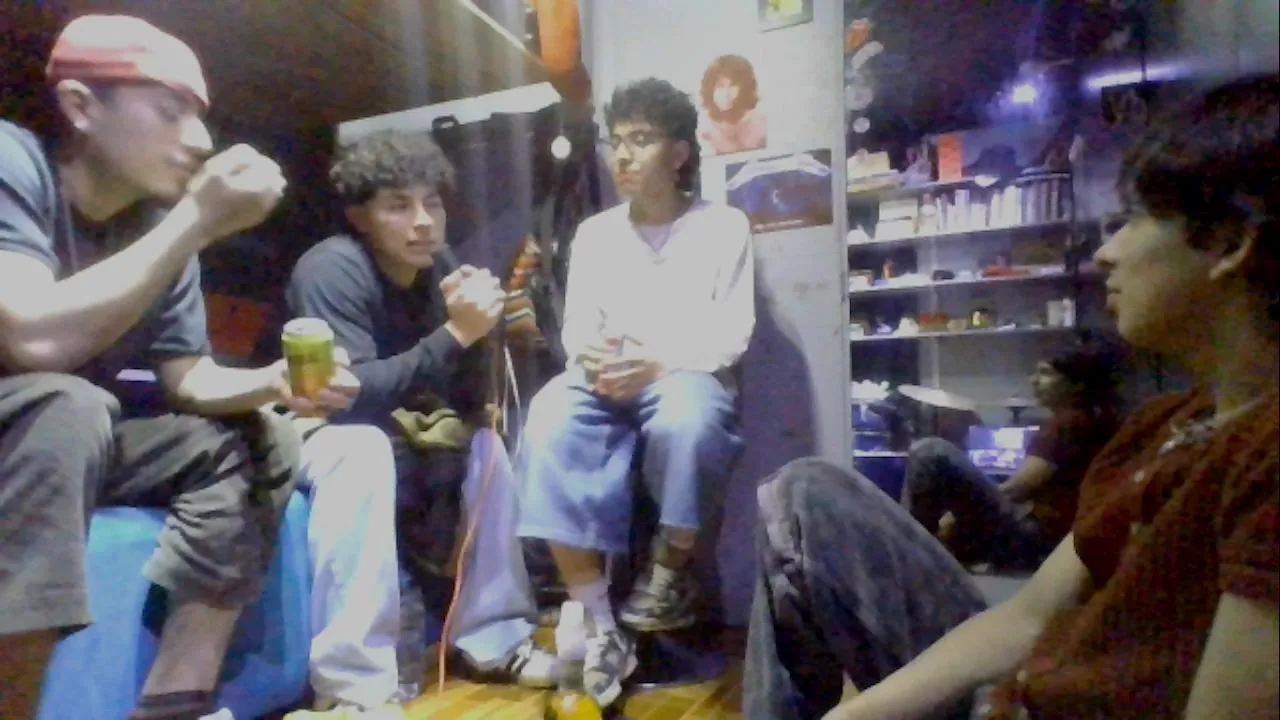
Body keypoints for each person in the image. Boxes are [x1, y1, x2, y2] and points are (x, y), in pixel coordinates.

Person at [744, 74, 1279, 720]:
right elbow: (1028, 618)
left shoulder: (1265, 455)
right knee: (805, 493)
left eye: (1136, 218)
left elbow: (1021, 493)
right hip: (1027, 677)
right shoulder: (1165, 424)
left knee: (925, 457)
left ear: (1228, 243)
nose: (1106, 253)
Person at [0, 15, 354, 720]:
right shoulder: (14, 162)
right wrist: (194, 221)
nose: (199, 140)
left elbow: (188, 379)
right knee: (69, 404)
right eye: (170, 112)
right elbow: (29, 340)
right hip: (35, 423)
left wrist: (273, 385)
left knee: (262, 438)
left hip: (71, 436)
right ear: (80, 106)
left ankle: (176, 699)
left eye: (199, 115)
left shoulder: (157, 226)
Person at [280, 129, 558, 698]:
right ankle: (355, 687)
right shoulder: (332, 268)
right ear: (360, 216)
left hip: (399, 427)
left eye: (432, 203)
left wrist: (480, 334)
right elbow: (351, 395)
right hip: (308, 425)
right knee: (364, 448)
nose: (423, 222)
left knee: (485, 447)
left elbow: (463, 392)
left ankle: (496, 639)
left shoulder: (439, 266)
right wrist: (456, 333)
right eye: (399, 206)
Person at [517, 77, 755, 707]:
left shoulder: (724, 226)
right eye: (615, 141)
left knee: (687, 419)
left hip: (683, 373)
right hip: (608, 377)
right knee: (546, 418)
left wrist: (661, 363)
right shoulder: (596, 234)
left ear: (678, 153)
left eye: (640, 140)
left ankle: (668, 572)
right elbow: (577, 331)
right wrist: (592, 358)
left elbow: (732, 335)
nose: (621, 156)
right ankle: (599, 622)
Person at [905, 345, 1122, 570]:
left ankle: (914, 551)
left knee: (929, 450)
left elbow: (1017, 489)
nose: (1033, 380)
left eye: (1045, 373)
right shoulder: (1091, 418)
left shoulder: (1068, 423)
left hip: (1038, 539)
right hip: (1057, 537)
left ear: (1076, 384)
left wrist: (954, 515)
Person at [697, 54, 767, 156]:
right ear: (710, 89)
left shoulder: (760, 122)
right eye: (720, 86)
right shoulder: (704, 130)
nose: (726, 94)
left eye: (733, 85)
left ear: (744, 87)